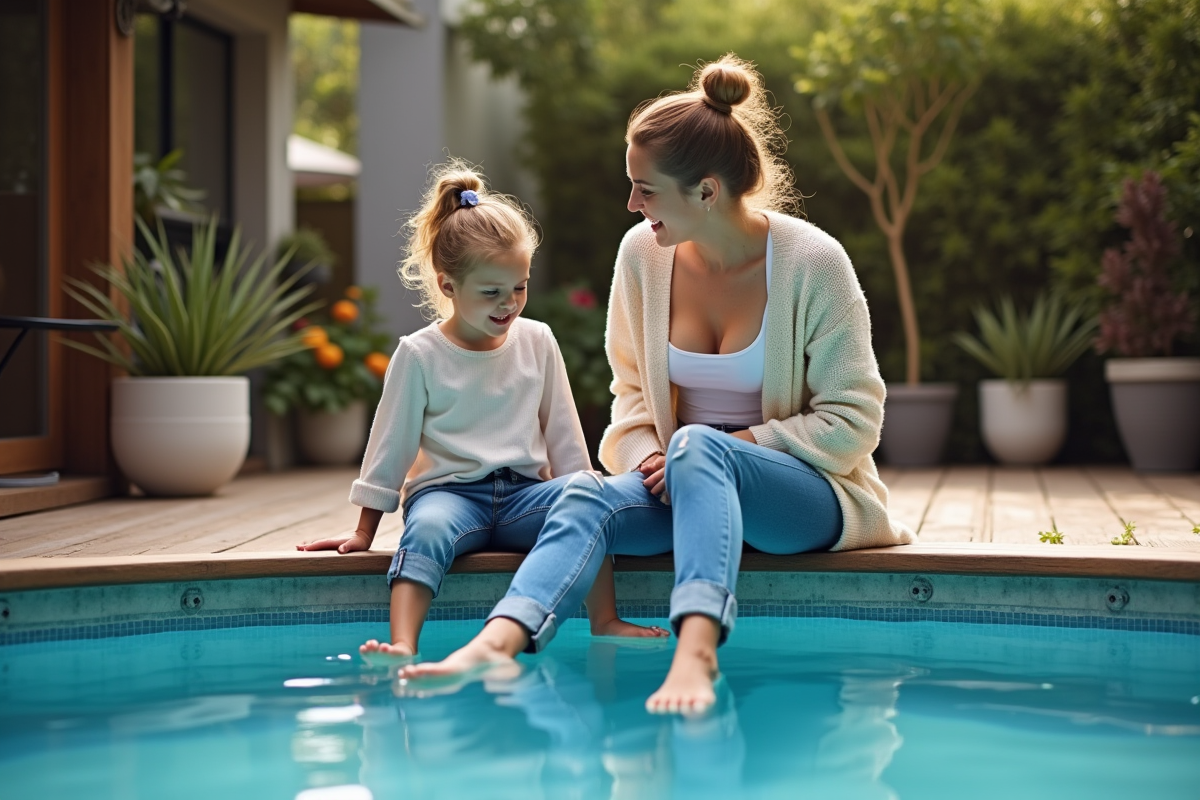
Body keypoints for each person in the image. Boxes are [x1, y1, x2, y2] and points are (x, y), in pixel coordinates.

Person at [399, 56, 913, 709]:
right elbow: (632, 397)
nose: (632, 204)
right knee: (581, 494)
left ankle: (696, 655)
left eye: (645, 189)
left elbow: (853, 423)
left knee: (700, 445)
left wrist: (734, 444)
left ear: (705, 192)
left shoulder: (814, 263)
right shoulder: (641, 254)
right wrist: (648, 460)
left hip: (804, 498)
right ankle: (496, 642)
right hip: (678, 486)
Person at [298, 162, 666, 660]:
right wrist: (364, 530)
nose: (509, 304)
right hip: (449, 498)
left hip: (525, 497)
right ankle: (403, 642)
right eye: (491, 292)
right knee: (425, 529)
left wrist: (584, 485)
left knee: (587, 495)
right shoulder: (419, 353)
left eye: (519, 287)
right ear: (448, 286)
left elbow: (563, 432)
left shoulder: (538, 340)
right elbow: (392, 442)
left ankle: (606, 620)